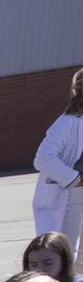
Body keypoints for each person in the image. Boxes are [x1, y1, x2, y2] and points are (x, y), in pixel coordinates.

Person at [32, 69, 83, 244]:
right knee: (69, 255)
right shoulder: (68, 121)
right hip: (72, 195)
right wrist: (75, 180)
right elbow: (43, 159)